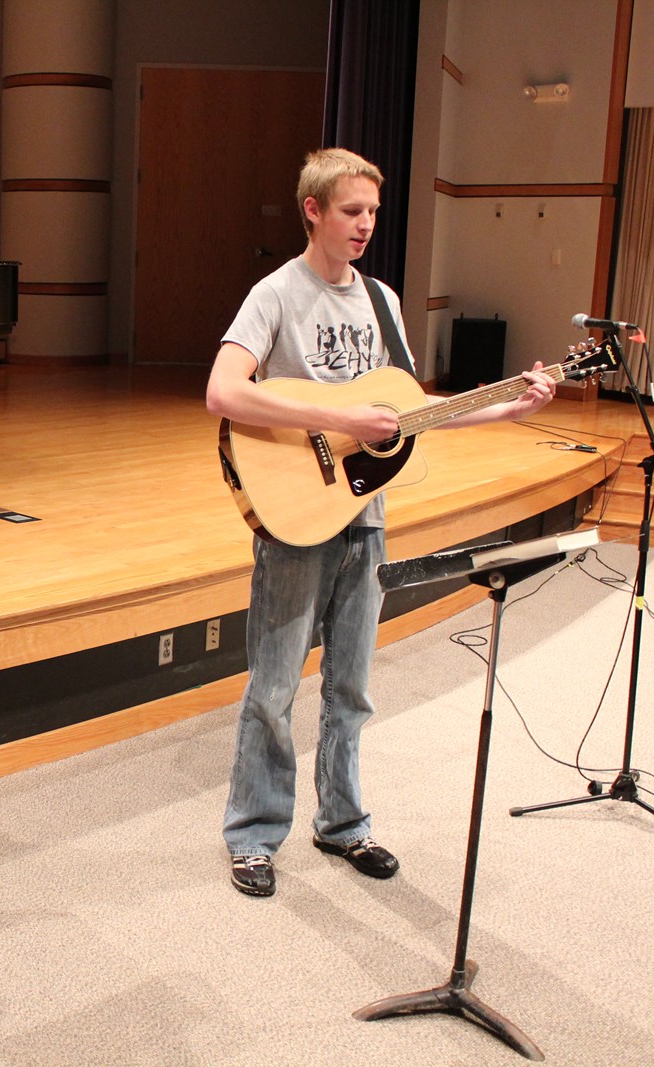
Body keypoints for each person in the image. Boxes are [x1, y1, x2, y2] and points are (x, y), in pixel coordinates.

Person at [205, 148, 555, 897]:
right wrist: (341, 418)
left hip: (365, 513)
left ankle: (343, 822)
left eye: (372, 211)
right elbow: (223, 392)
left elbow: (411, 413)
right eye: (351, 211)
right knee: (273, 687)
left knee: (353, 685)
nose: (365, 224)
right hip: (294, 513)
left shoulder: (383, 302)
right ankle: (253, 835)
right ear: (313, 211)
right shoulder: (276, 293)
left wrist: (506, 408)